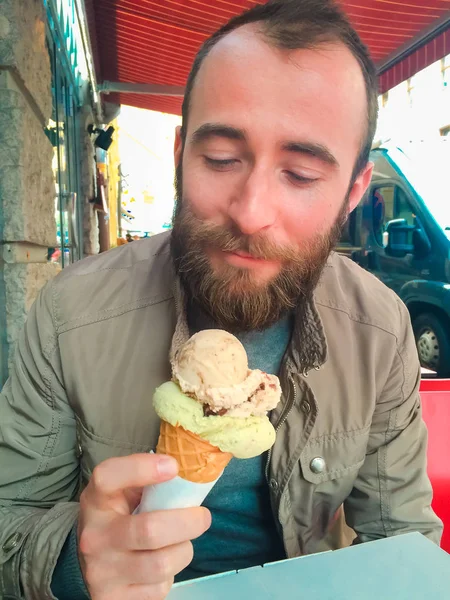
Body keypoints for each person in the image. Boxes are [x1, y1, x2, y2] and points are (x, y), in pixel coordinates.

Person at [0, 0, 443, 598]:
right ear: (182, 153)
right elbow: (10, 521)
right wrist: (74, 561)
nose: (251, 212)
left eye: (303, 174)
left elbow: (400, 539)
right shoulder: (68, 315)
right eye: (221, 160)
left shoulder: (381, 329)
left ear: (353, 191)